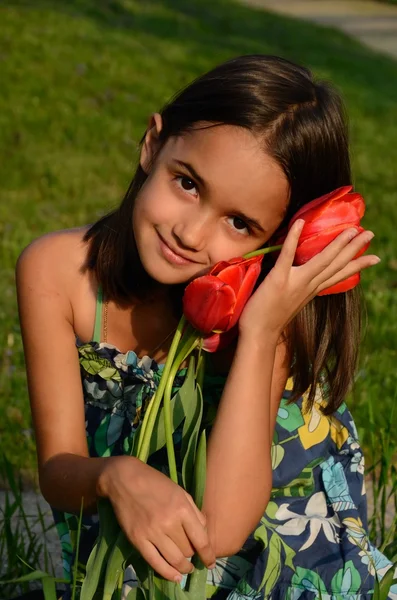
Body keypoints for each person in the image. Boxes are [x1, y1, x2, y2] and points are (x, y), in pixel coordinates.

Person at [16, 54, 394, 600]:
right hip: (138, 531)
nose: (191, 234)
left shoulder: (265, 312)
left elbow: (221, 530)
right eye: (188, 183)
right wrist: (114, 474)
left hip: (274, 533)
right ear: (153, 144)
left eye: (240, 223)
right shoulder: (56, 272)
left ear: (276, 239)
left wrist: (262, 331)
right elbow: (57, 471)